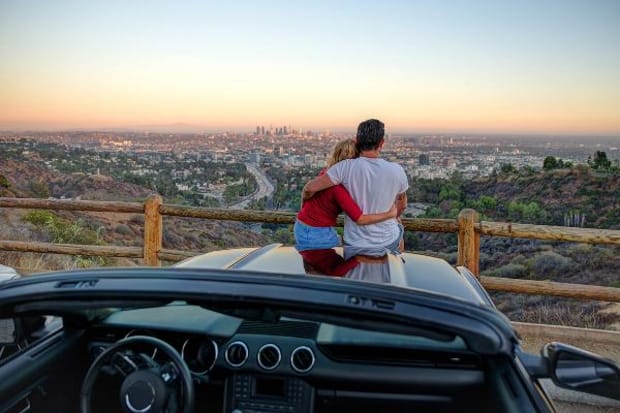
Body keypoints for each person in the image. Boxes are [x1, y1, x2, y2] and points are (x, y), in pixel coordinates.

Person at [302, 119, 408, 257]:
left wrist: (305, 208)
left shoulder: (344, 168)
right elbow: (402, 205)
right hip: (388, 241)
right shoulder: (397, 170)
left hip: (354, 243)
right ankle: (398, 259)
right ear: (381, 143)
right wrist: (393, 215)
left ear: (357, 140)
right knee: (398, 228)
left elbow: (310, 188)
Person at [294, 139, 397, 251]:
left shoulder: (326, 174)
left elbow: (307, 190)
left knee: (313, 260)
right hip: (316, 233)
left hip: (302, 226)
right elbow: (360, 219)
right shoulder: (338, 188)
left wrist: (303, 210)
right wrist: (390, 214)